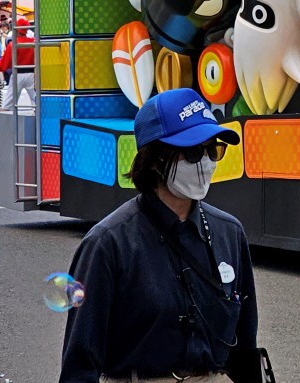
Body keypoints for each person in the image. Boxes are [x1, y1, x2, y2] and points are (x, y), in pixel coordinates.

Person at [60, 88, 260, 383]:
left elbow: (245, 343)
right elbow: (81, 361)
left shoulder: (229, 233)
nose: (205, 163)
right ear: (154, 158)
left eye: (213, 150)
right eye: (192, 152)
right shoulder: (108, 244)